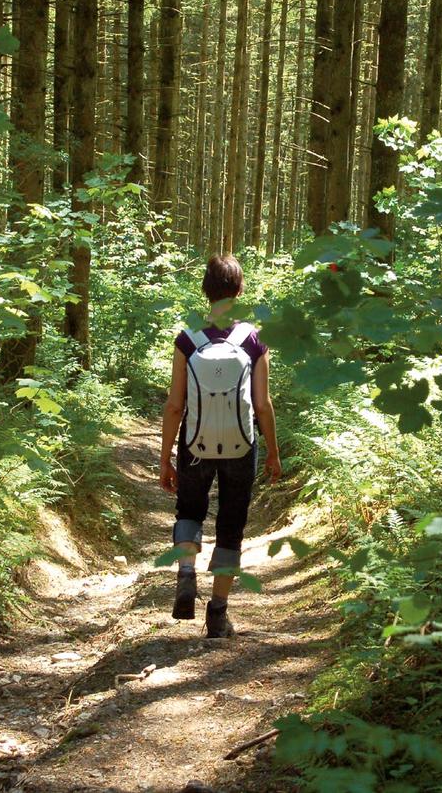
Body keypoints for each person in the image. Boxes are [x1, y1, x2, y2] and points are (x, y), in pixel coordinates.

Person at [159, 253, 281, 638]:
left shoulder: (187, 339)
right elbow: (262, 404)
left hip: (195, 444)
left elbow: (176, 404)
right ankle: (218, 614)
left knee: (189, 510)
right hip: (241, 446)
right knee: (231, 527)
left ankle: (185, 573)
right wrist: (273, 452)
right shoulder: (254, 339)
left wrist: (166, 457)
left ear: (205, 291)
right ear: (240, 290)